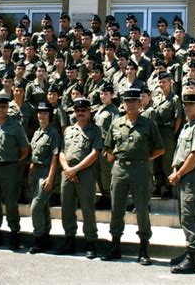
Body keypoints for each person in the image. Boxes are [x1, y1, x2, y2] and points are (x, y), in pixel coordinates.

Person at [102, 88, 165, 265]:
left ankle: (144, 249)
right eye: (127, 101)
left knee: (142, 210)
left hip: (141, 170)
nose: (130, 104)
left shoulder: (148, 124)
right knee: (116, 209)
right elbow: (108, 147)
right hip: (120, 170)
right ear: (123, 103)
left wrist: (144, 158)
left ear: (140, 103)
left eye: (134, 101)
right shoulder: (116, 123)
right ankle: (115, 246)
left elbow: (160, 149)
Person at [168, 88, 195, 274]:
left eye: (191, 104)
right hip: (184, 175)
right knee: (184, 216)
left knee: (190, 217)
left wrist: (178, 174)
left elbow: (194, 156)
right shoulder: (187, 126)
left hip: (191, 176)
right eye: (185, 104)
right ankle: (187, 253)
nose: (187, 107)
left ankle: (191, 259)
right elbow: (181, 155)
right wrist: (176, 170)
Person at [55, 97, 102, 258]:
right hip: (67, 172)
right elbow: (61, 151)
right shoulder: (68, 130)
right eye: (77, 110)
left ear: (89, 112)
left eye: (83, 110)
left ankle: (90, 242)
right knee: (67, 209)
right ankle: (69, 240)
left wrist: (76, 169)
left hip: (85, 173)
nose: (80, 113)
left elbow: (95, 153)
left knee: (88, 208)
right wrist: (68, 169)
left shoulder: (95, 130)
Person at [0, 94, 30, 250]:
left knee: (10, 202)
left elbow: (24, 148)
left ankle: (14, 233)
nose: (0, 109)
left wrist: (15, 162)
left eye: (3, 106)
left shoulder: (16, 125)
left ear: (8, 108)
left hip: (9, 168)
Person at [28, 102, 60, 254]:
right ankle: (46, 236)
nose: (42, 115)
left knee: (36, 206)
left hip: (46, 172)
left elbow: (55, 157)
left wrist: (50, 177)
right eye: (40, 112)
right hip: (36, 172)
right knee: (43, 207)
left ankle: (38, 237)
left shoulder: (53, 133)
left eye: (45, 113)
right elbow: (34, 153)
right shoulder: (36, 132)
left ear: (50, 115)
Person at [93, 83, 120, 210]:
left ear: (112, 95)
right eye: (101, 93)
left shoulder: (114, 111)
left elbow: (116, 130)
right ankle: (104, 196)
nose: (103, 96)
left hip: (106, 145)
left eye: (106, 94)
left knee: (106, 173)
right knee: (98, 172)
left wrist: (110, 149)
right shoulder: (100, 109)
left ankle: (110, 198)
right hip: (97, 145)